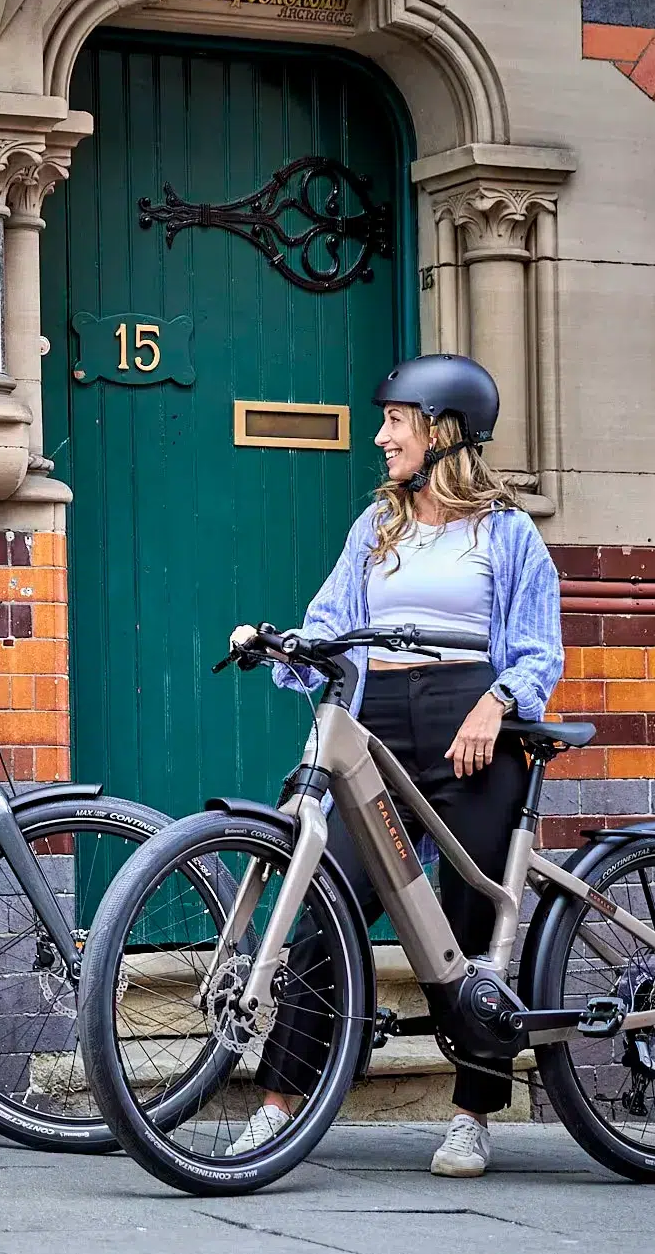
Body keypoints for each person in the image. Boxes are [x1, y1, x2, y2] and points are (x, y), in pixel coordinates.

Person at [227, 353, 563, 1178]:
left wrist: (498, 703)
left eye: (395, 422)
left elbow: (538, 648)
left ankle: (472, 1115)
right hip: (377, 723)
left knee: (470, 925)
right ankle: (278, 1104)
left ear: (443, 432)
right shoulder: (376, 527)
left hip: (470, 729)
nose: (381, 436)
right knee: (328, 905)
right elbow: (332, 622)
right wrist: (285, 644)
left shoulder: (507, 534)